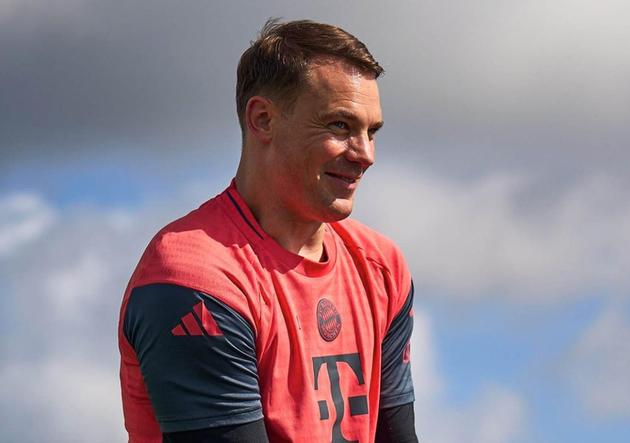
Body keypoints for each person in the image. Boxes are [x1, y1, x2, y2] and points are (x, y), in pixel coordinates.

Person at [119, 19, 418, 443]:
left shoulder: (381, 268)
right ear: (262, 119)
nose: (365, 154)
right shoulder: (195, 279)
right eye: (340, 126)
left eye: (371, 132)